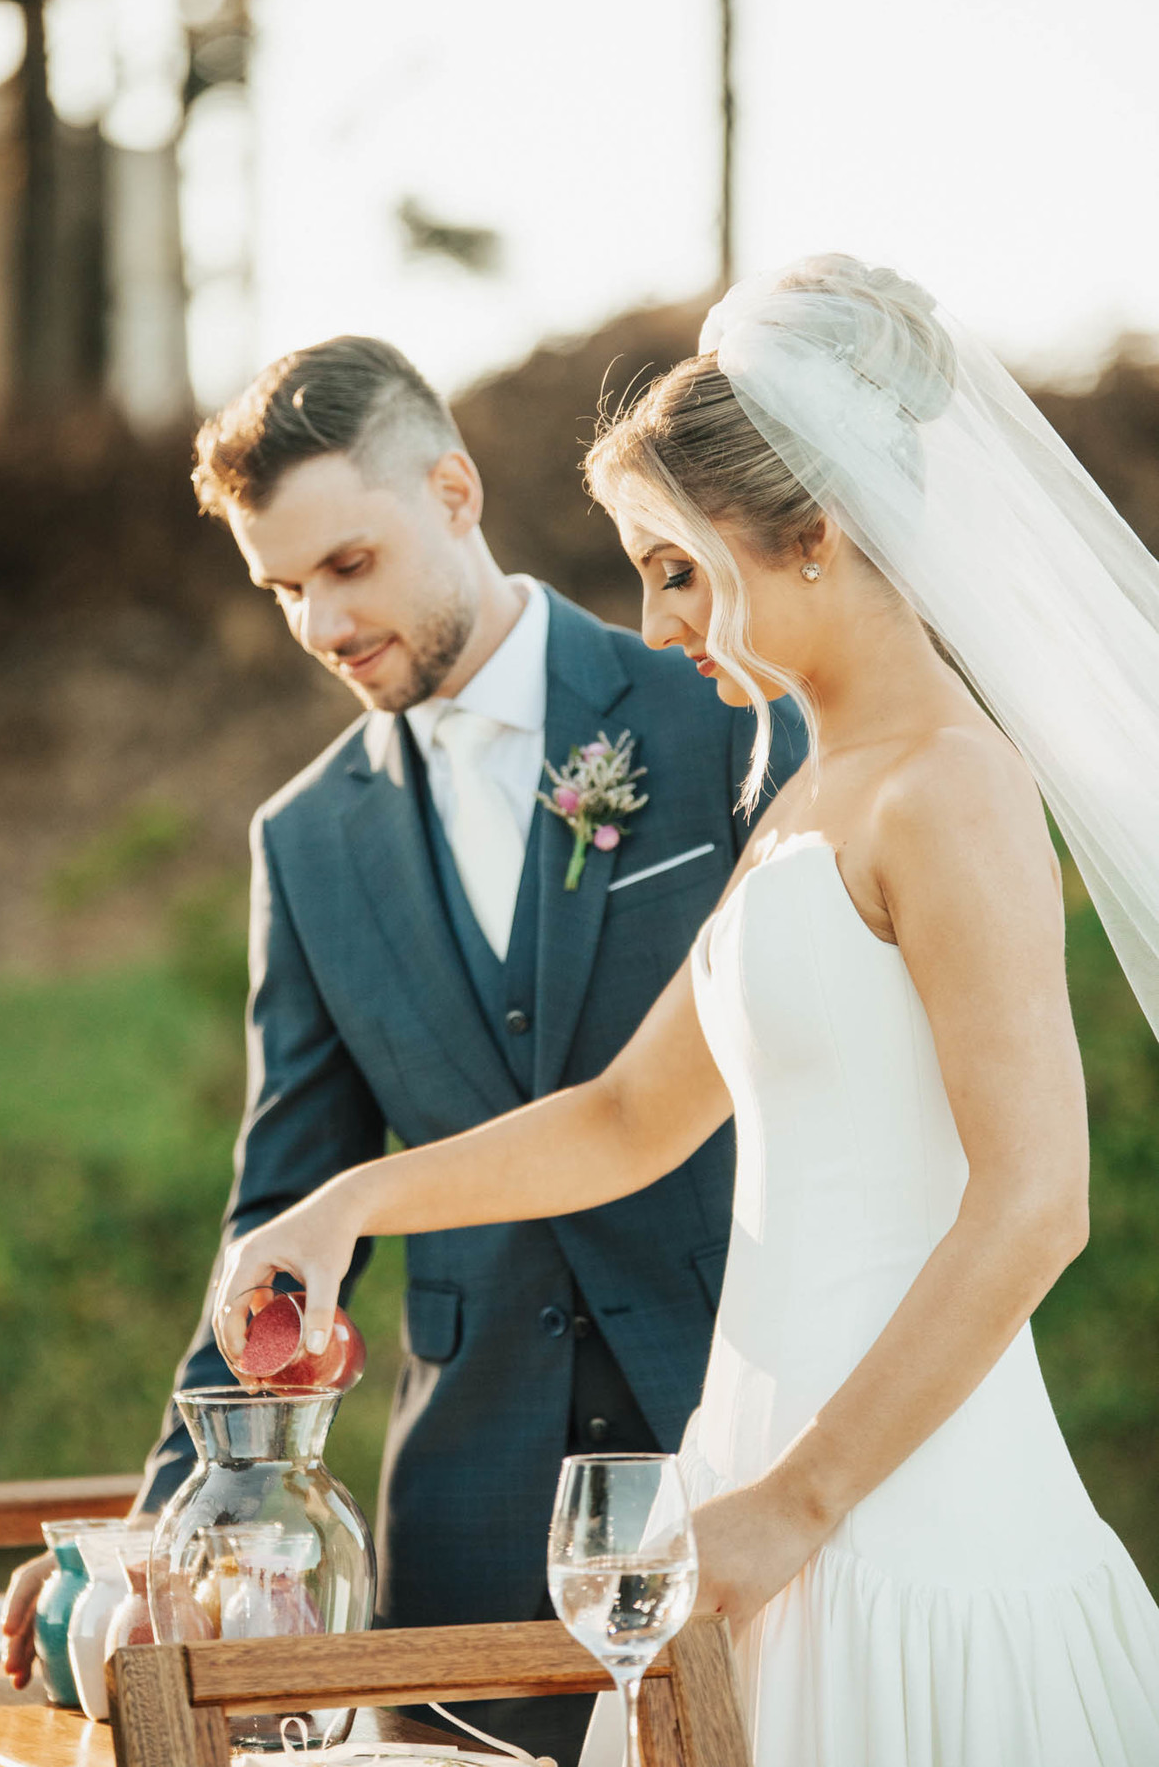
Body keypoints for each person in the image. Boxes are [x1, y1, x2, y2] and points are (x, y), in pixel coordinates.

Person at [212, 258, 1159, 1765]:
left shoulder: (952, 789)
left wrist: (801, 1502)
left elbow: (1037, 1202)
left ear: (812, 536)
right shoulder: (807, 793)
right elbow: (628, 1119)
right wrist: (345, 1205)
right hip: (740, 1487)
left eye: (675, 569)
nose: (655, 626)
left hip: (900, 1502)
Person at [0, 335, 805, 1765]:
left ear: (455, 491)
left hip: (744, 1446)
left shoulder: (715, 708)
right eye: (283, 589)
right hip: (469, 1535)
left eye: (349, 565)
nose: (319, 622)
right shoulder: (305, 842)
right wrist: (159, 1535)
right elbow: (281, 1215)